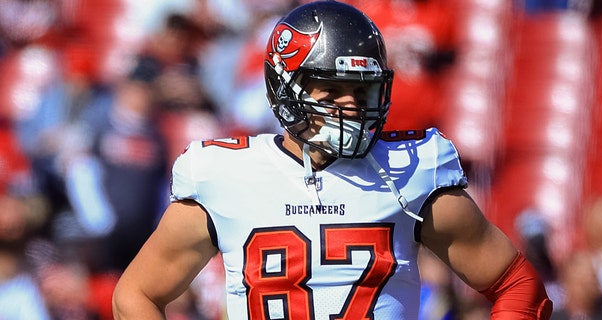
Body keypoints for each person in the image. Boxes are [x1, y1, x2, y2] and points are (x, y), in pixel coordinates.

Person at [112, 1, 552, 319]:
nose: (352, 106)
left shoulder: (411, 171)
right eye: (333, 90)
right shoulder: (224, 175)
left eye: (362, 91)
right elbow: (135, 295)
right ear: (286, 89)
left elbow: (519, 288)